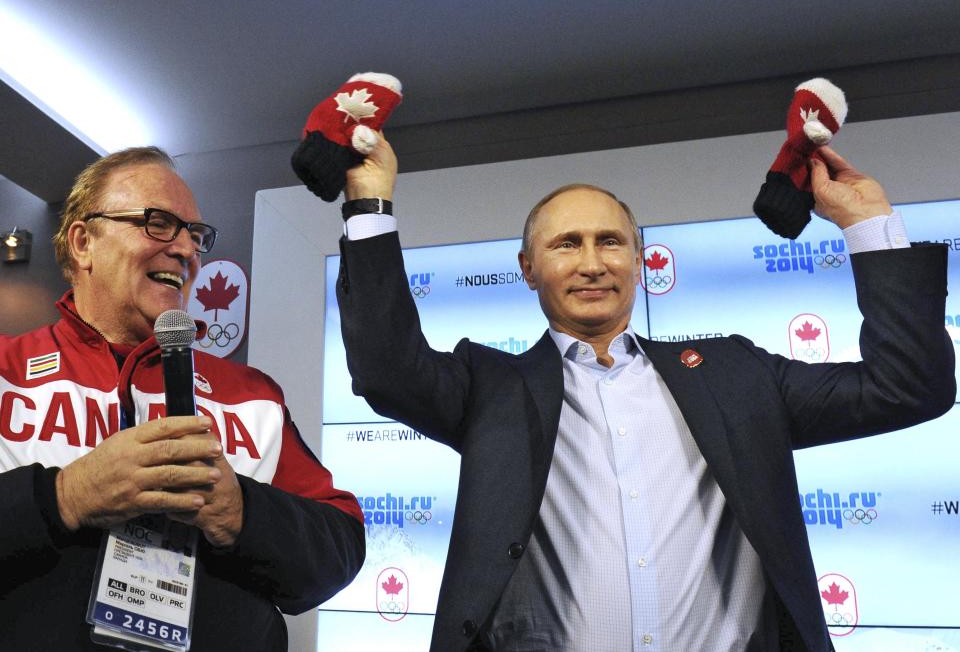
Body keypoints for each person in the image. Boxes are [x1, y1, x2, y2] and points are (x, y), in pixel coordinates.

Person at [335, 136, 954, 652]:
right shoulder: (488, 389)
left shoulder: (734, 373)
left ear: (640, 260)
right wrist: (368, 205)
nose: (592, 263)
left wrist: (868, 222)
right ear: (527, 269)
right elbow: (387, 369)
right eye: (566, 244)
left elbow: (908, 388)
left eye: (610, 242)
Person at [0, 147, 365, 650]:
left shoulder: (251, 395)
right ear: (83, 242)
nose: (186, 250)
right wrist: (65, 496)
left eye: (196, 235)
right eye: (158, 223)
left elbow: (340, 548)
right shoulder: (6, 372)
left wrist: (241, 511)